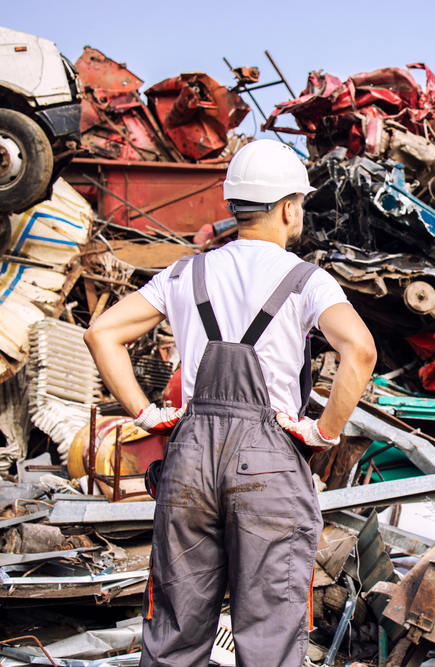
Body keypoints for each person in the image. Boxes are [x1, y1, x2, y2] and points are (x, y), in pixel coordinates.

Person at [84, 139, 377, 667]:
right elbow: (360, 350)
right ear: (288, 207)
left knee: (175, 632)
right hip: (268, 465)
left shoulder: (184, 274)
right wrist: (322, 432)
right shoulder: (307, 280)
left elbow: (102, 333)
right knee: (268, 633)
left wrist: (146, 414)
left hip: (190, 460)